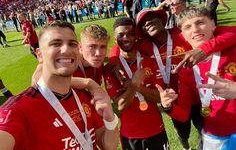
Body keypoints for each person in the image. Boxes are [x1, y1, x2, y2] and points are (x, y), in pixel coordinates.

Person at [109, 9, 236, 150]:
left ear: (163, 21)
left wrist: (204, 49)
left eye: (153, 18)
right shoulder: (143, 46)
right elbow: (120, 44)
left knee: (204, 132)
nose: (149, 22)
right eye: (144, 23)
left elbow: (230, 32)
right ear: (142, 32)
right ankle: (185, 144)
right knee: (183, 131)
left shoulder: (182, 36)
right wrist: (114, 61)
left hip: (201, 98)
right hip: (174, 100)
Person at [0, 21, 119, 150]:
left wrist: (110, 119)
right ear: (39, 54)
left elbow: (108, 146)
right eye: (56, 44)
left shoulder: (84, 96)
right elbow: (37, 78)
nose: (66, 49)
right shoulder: (17, 111)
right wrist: (89, 83)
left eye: (71, 44)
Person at [159, 5, 236, 150]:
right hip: (214, 135)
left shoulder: (232, 50)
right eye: (187, 27)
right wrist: (167, 106)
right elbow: (183, 115)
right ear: (182, 34)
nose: (195, 29)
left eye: (200, 22)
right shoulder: (187, 70)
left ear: (213, 24)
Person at [105, 17, 169, 150]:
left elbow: (159, 97)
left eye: (130, 34)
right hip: (130, 134)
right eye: (121, 35)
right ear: (115, 39)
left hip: (156, 129)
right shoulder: (111, 69)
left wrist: (137, 86)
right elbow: (121, 105)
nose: (126, 38)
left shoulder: (149, 60)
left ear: (136, 37)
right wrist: (134, 85)